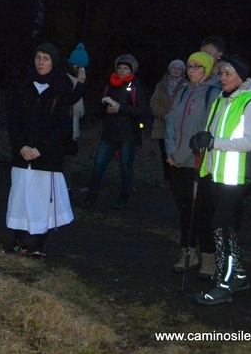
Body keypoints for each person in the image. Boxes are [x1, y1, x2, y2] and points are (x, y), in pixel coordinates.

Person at [190, 55, 251, 305]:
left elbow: (248, 142)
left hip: (235, 176)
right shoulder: (223, 99)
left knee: (220, 227)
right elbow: (213, 132)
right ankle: (239, 274)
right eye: (221, 73)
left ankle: (223, 282)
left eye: (228, 74)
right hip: (216, 174)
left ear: (241, 76)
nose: (222, 78)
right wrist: (202, 139)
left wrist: (213, 142)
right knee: (226, 226)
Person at [4, 43, 76, 257]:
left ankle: (39, 244)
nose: (41, 62)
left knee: (42, 200)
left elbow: (63, 126)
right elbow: (13, 119)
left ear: (53, 61)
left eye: (46, 58)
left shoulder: (61, 87)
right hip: (22, 155)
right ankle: (19, 241)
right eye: (38, 57)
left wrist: (41, 149)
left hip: (47, 158)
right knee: (19, 198)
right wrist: (21, 146)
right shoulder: (25, 86)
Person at [164, 52, 220, 278]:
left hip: (198, 162)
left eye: (197, 66)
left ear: (206, 69)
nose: (192, 70)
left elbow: (206, 130)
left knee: (203, 211)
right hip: (176, 162)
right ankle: (187, 252)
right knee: (185, 210)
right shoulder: (184, 91)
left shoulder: (213, 94)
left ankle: (209, 256)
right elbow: (171, 125)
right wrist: (170, 153)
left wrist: (181, 155)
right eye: (190, 66)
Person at [80, 54, 149, 210]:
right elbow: (99, 107)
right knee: (99, 164)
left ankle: (123, 196)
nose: (122, 71)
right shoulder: (109, 85)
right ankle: (91, 195)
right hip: (109, 132)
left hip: (128, 134)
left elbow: (142, 111)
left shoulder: (136, 86)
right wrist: (105, 108)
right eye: (120, 67)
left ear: (132, 70)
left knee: (125, 166)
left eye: (125, 68)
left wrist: (120, 109)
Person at [150, 59, 186, 187]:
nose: (176, 70)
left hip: (180, 125)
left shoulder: (187, 85)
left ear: (183, 72)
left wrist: (176, 115)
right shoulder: (160, 85)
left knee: (179, 152)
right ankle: (168, 180)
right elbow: (154, 102)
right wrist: (163, 114)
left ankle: (179, 180)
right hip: (162, 124)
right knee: (165, 153)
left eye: (179, 68)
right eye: (174, 68)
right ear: (169, 69)